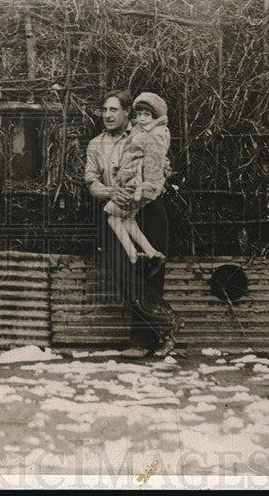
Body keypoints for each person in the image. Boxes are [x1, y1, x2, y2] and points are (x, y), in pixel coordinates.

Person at [85, 89, 179, 358]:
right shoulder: (95, 144)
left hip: (147, 210)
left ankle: (148, 341)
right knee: (125, 275)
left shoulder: (146, 134)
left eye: (114, 110)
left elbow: (161, 169)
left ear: (128, 113)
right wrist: (111, 191)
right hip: (115, 211)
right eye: (104, 110)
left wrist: (146, 188)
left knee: (151, 272)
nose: (108, 115)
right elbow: (91, 182)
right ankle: (164, 323)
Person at [103, 92, 171, 265]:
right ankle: (151, 253)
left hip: (138, 185)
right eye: (139, 114)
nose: (141, 118)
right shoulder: (143, 130)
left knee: (113, 217)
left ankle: (133, 255)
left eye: (146, 115)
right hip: (133, 181)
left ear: (155, 116)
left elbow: (154, 162)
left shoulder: (155, 134)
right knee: (128, 218)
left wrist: (147, 187)